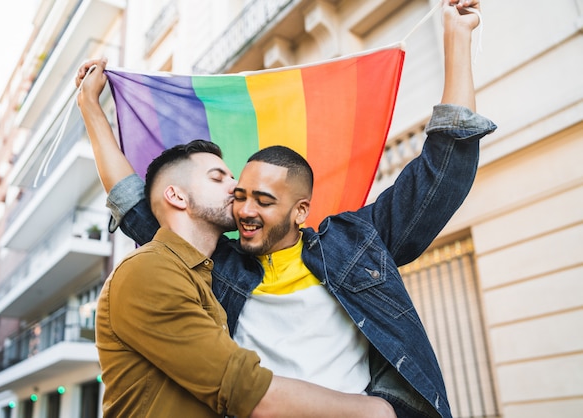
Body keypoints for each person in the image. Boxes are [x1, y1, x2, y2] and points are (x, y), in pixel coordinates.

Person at [76, 1, 496, 417]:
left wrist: (457, 38)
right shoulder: (214, 266)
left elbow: (442, 173)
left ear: (300, 211)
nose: (244, 209)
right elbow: (134, 201)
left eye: (263, 200)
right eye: (239, 195)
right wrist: (92, 109)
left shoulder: (356, 242)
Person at [93, 139, 396, 417]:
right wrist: (372, 410)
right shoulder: (149, 271)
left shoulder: (204, 276)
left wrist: (91, 106)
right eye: (218, 177)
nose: (236, 187)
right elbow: (243, 389)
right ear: (176, 196)